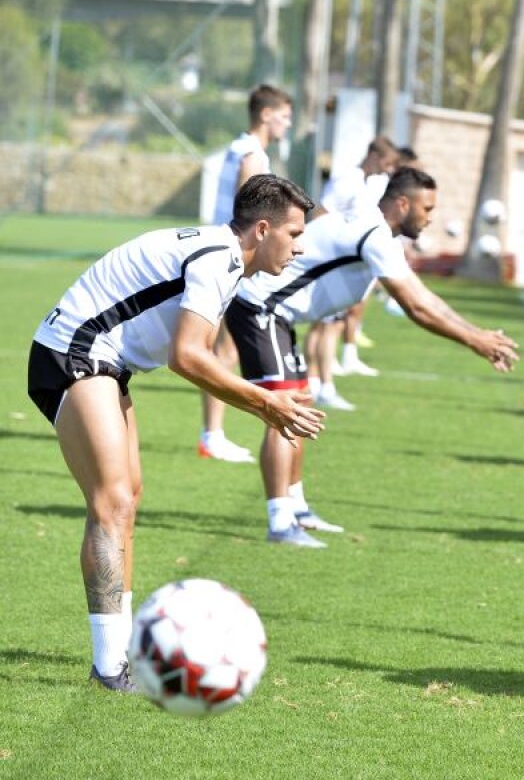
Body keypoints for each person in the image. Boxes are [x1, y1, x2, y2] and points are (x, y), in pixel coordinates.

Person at [27, 174, 324, 691]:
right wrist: (265, 403)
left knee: (127, 499)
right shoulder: (218, 259)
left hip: (103, 360)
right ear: (262, 230)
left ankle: (118, 657)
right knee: (112, 502)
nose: (300, 247)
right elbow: (186, 356)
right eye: (294, 234)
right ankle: (109, 668)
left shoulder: (226, 259)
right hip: (73, 352)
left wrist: (263, 403)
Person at [226, 167, 520, 548]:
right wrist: (474, 341)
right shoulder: (374, 234)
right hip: (259, 309)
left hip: (277, 315)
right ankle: (280, 522)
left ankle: (296, 508)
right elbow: (416, 307)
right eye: (427, 208)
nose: (430, 218)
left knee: (299, 406)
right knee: (282, 412)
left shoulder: (375, 229)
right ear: (403, 204)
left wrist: (477, 333)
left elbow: (424, 296)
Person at [199, 84, 294, 462]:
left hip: (225, 256)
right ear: (266, 115)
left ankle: (213, 433)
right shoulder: (252, 155)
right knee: (221, 349)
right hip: (231, 259)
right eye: (284, 116)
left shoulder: (241, 147)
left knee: (222, 348)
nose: (288, 124)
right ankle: (212, 434)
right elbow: (250, 215)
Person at [305, 135, 406, 409]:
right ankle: (323, 386)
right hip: (332, 262)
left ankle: (314, 383)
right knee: (327, 326)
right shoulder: (347, 180)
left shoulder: (369, 183)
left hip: (345, 263)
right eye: (386, 162)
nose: (387, 169)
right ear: (373, 155)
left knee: (328, 325)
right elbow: (321, 213)